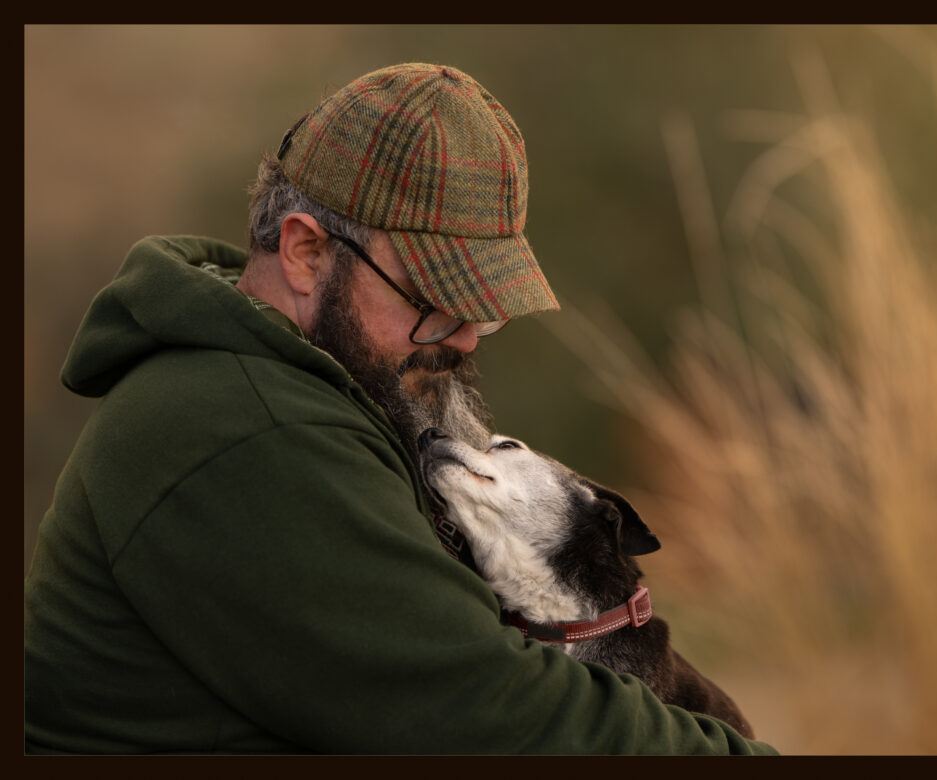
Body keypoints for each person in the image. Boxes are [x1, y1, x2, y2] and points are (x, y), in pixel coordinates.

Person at [24, 62, 777, 755]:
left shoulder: (297, 388)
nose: (466, 338)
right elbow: (489, 715)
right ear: (306, 253)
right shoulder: (242, 430)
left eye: (483, 307)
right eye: (434, 299)